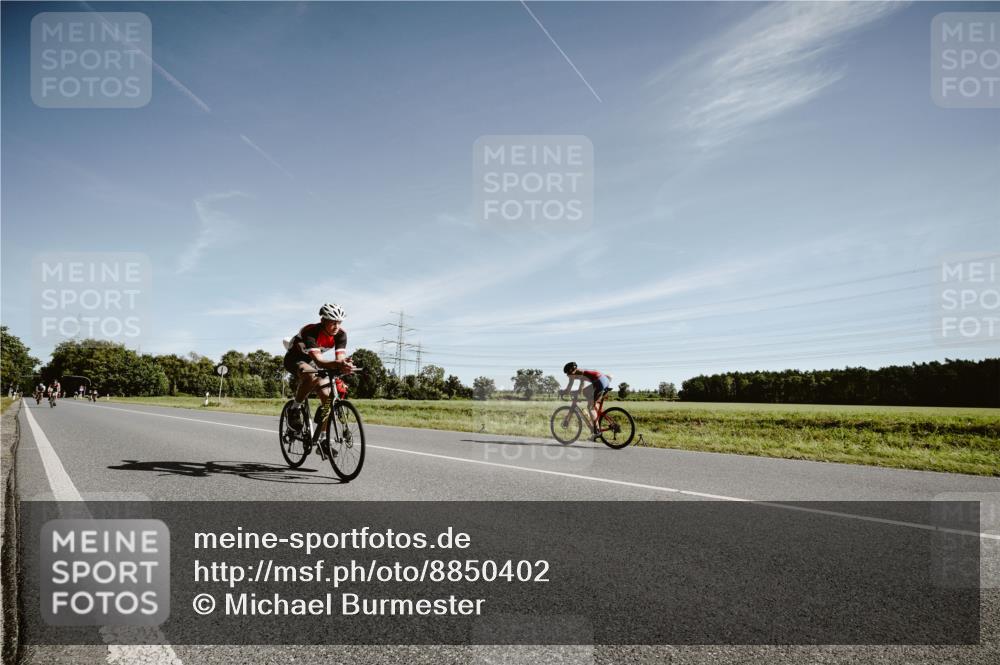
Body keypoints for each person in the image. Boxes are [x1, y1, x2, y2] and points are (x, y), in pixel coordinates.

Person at [282, 303, 354, 432]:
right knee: (311, 376)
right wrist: (339, 364)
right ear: (323, 321)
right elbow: (320, 362)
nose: (336, 326)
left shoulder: (341, 335)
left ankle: (321, 439)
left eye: (339, 322)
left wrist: (345, 365)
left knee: (328, 400)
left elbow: (339, 359)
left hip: (312, 361)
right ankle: (294, 409)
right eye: (333, 322)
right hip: (295, 359)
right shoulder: (310, 331)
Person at [560, 362, 612, 438]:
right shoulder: (580, 372)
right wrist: (577, 392)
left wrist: (562, 392)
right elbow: (582, 387)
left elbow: (568, 389)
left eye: (567, 374)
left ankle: (596, 430)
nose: (567, 376)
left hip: (599, 382)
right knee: (586, 393)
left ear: (570, 371)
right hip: (604, 380)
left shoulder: (573, 375)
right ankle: (596, 413)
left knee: (590, 407)